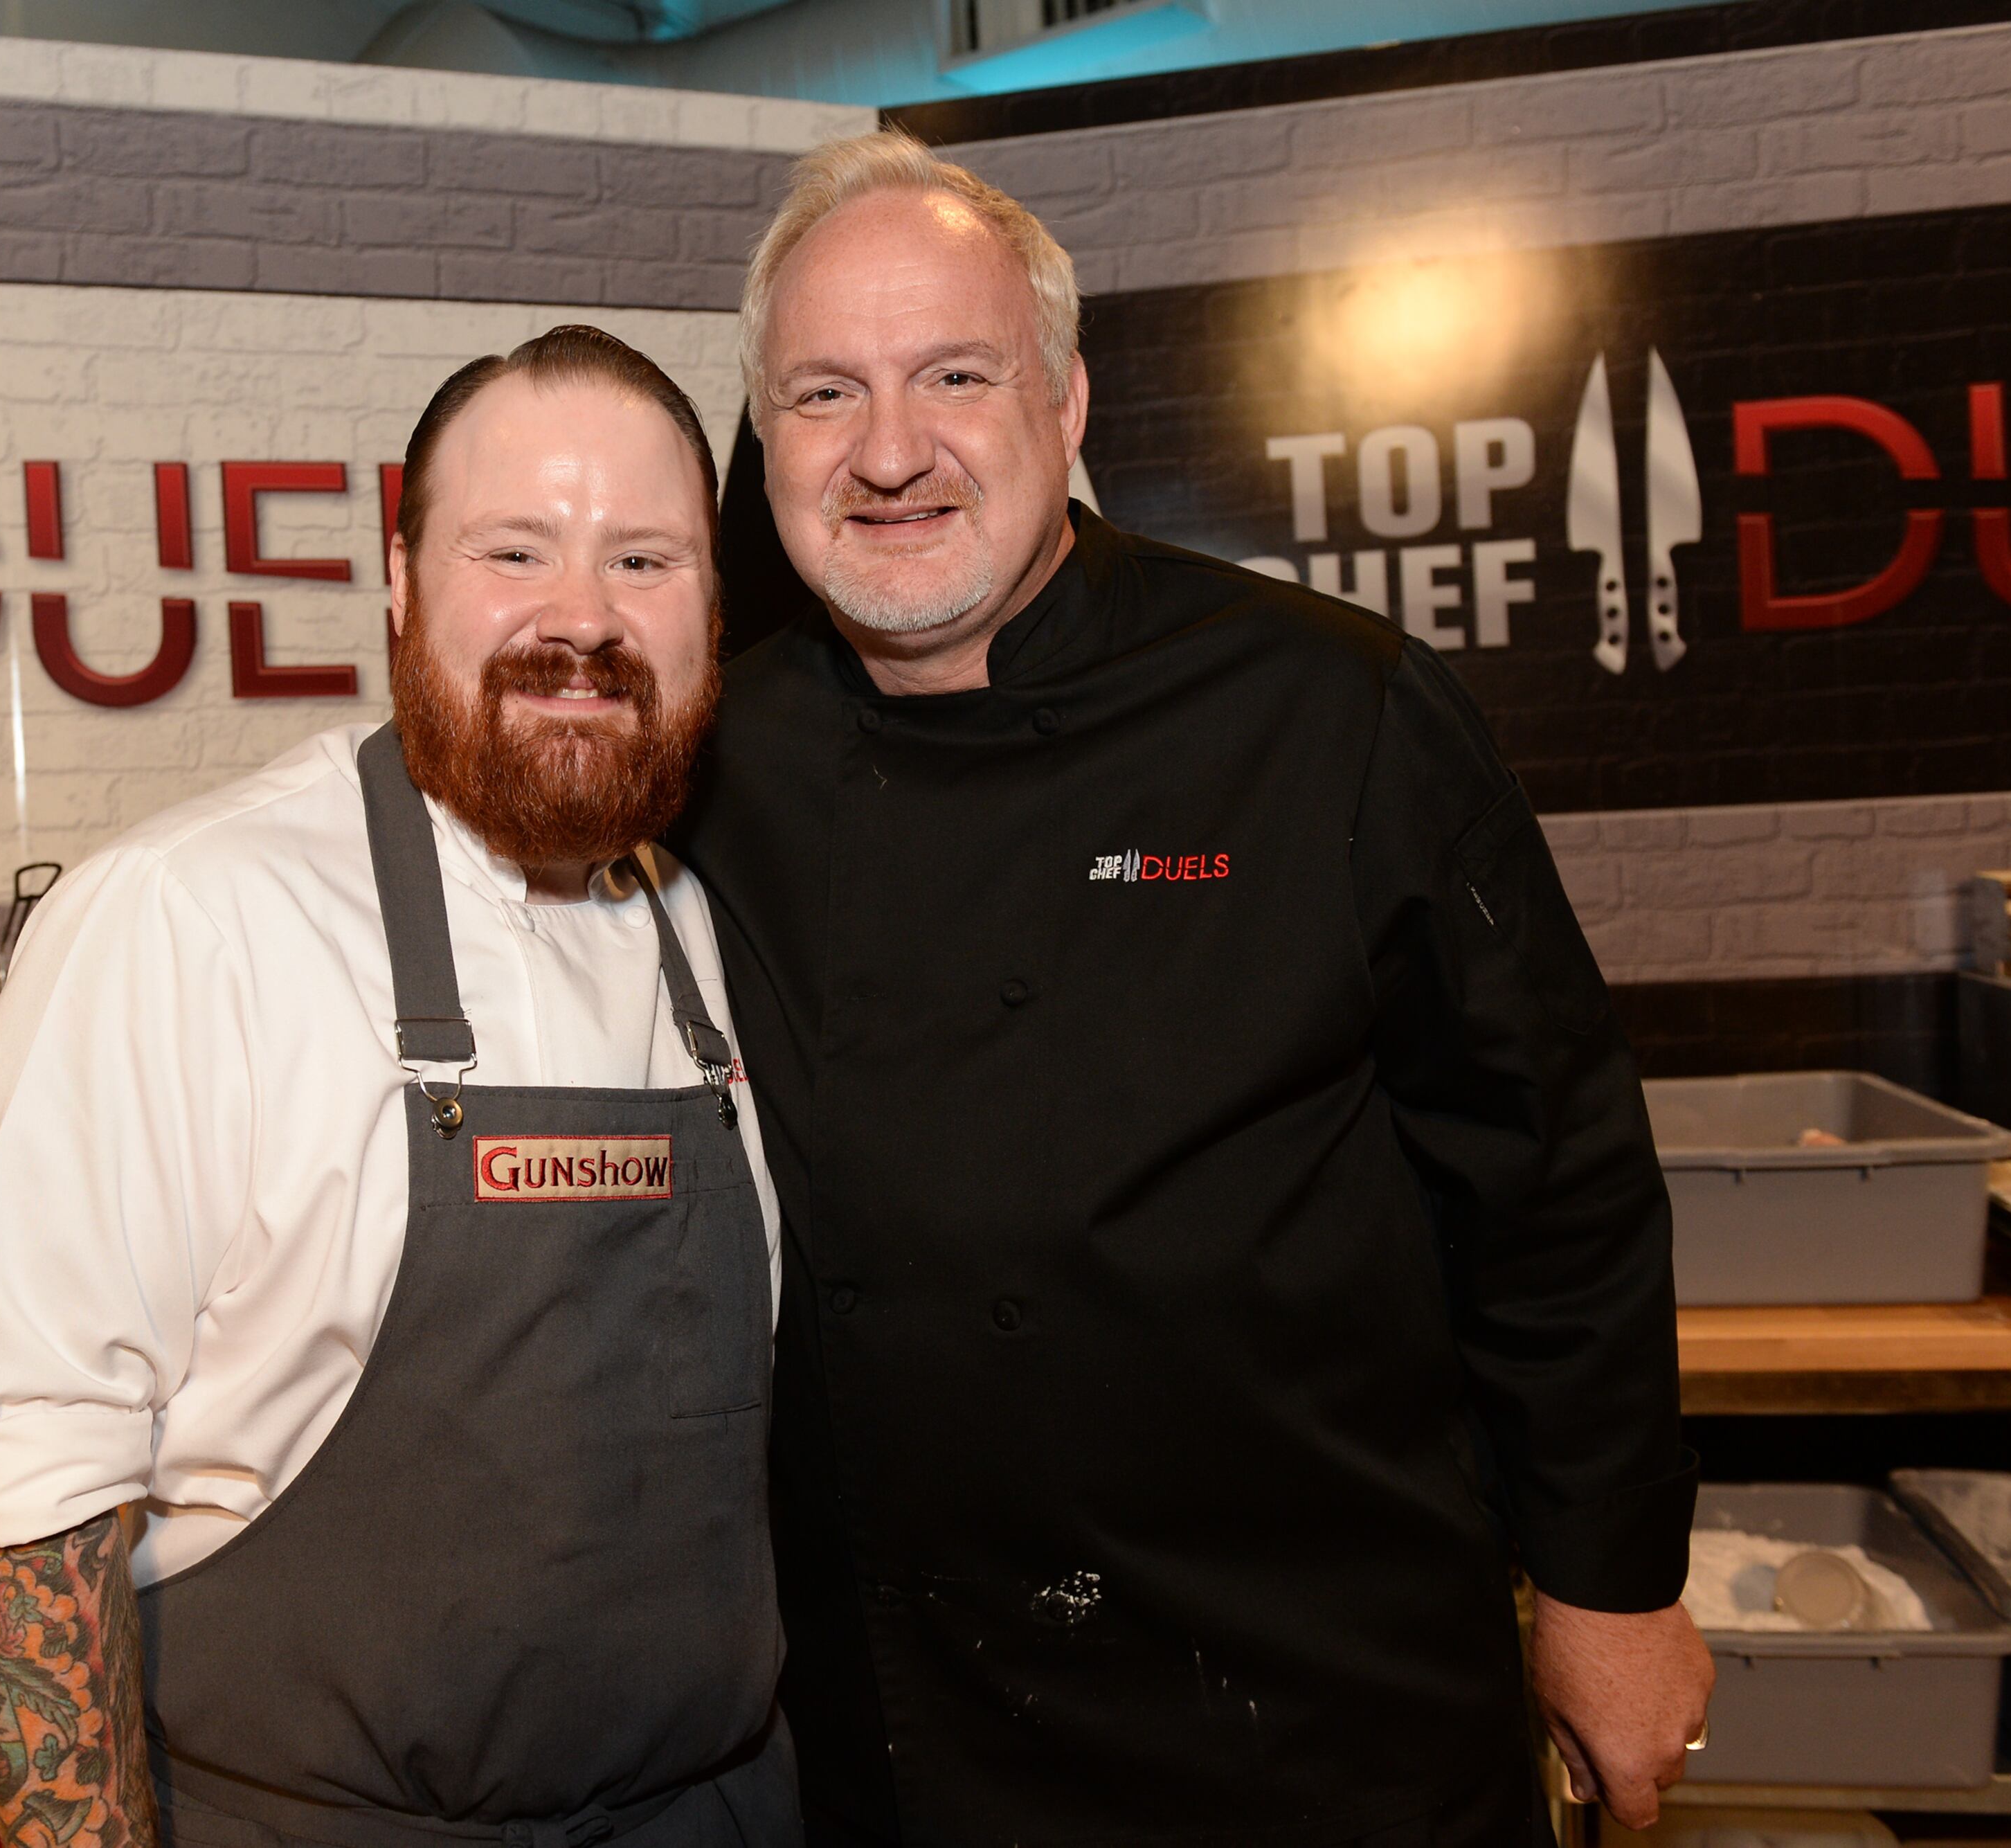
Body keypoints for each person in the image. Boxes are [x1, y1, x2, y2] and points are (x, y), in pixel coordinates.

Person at [671, 131, 1713, 1845]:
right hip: (908, 1737)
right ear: (764, 437)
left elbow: (1556, 1181)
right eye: (823, 394)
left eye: (955, 375)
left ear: (1068, 405)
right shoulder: (715, 759)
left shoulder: (1328, 711)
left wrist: (1611, 1588)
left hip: (1320, 1708)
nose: (892, 452)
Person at [0, 325, 800, 1848]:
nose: (584, 619)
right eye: (516, 549)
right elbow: (19, 1503)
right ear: (399, 582)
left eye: (647, 561)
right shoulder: (188, 919)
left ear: (715, 608)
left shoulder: (698, 933)